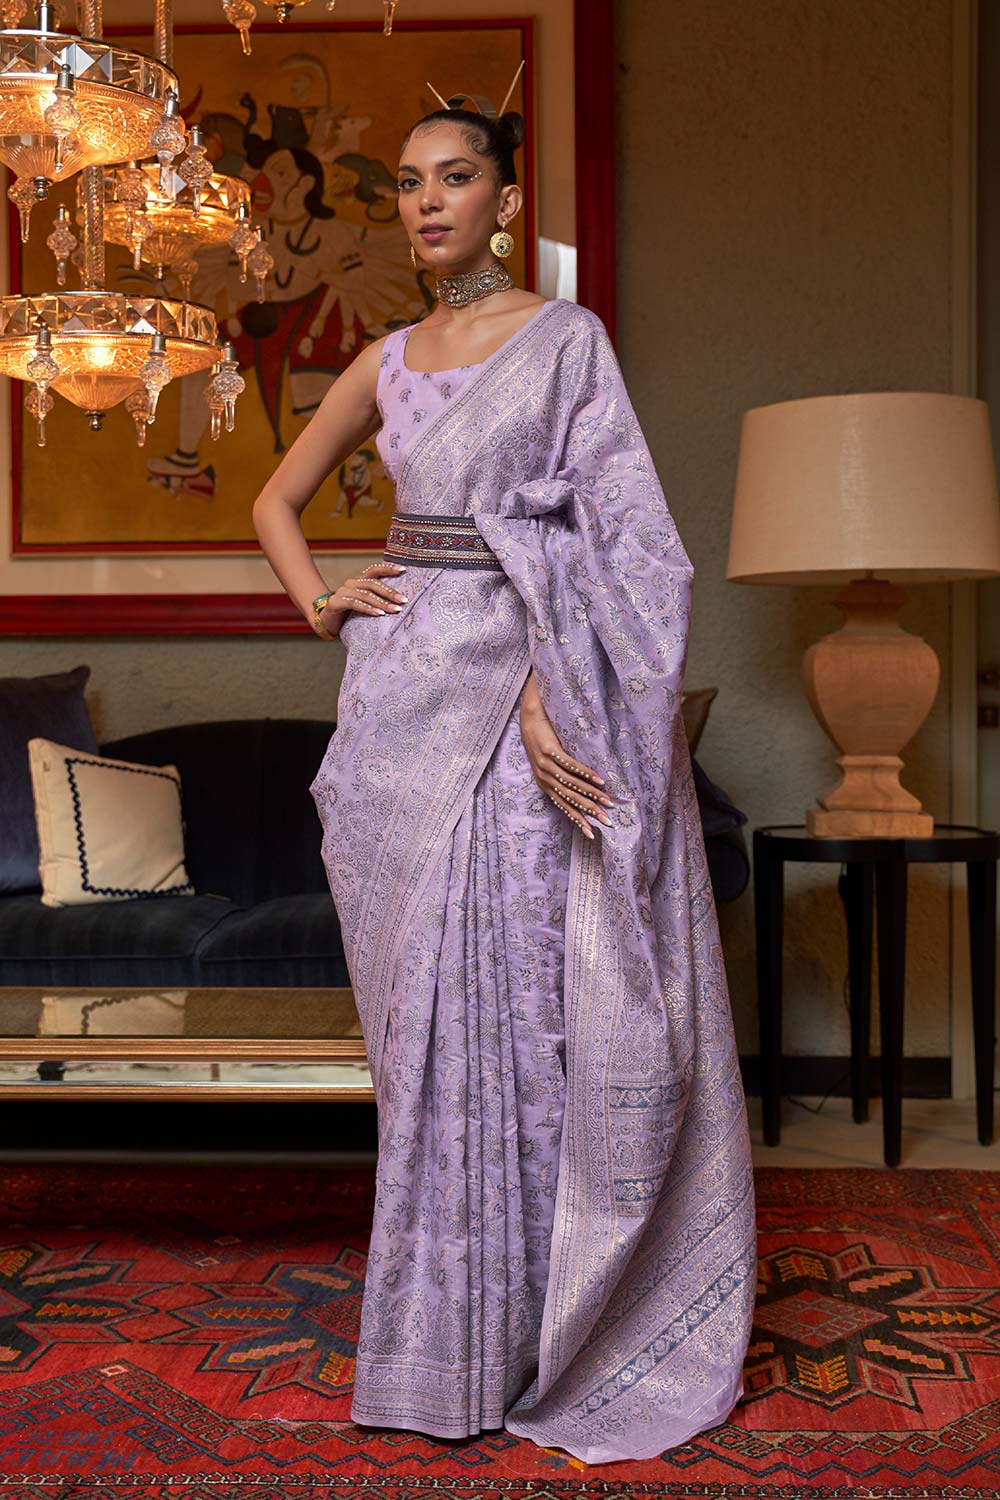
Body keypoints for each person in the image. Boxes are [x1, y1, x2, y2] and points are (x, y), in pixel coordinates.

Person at [251, 89, 756, 1467]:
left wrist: (548, 693)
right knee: (422, 1042)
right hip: (402, 704)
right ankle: (438, 1345)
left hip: (528, 695)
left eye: (455, 176)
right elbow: (274, 501)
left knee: (530, 1019)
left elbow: (617, 544)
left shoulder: (564, 342)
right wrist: (324, 599)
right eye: (409, 182)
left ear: (506, 201)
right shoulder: (388, 358)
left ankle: (548, 1330)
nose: (426, 201)